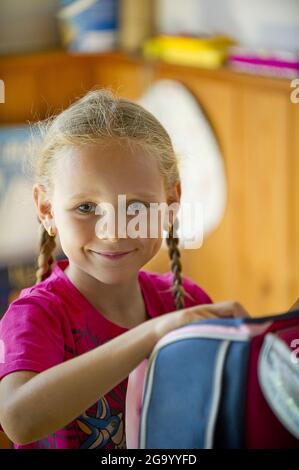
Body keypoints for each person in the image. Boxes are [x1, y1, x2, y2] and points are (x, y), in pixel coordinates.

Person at [0, 89, 248, 449]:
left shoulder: (186, 303)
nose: (114, 230)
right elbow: (18, 420)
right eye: (86, 207)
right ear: (47, 209)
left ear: (171, 202)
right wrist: (152, 335)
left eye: (137, 206)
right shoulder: (37, 315)